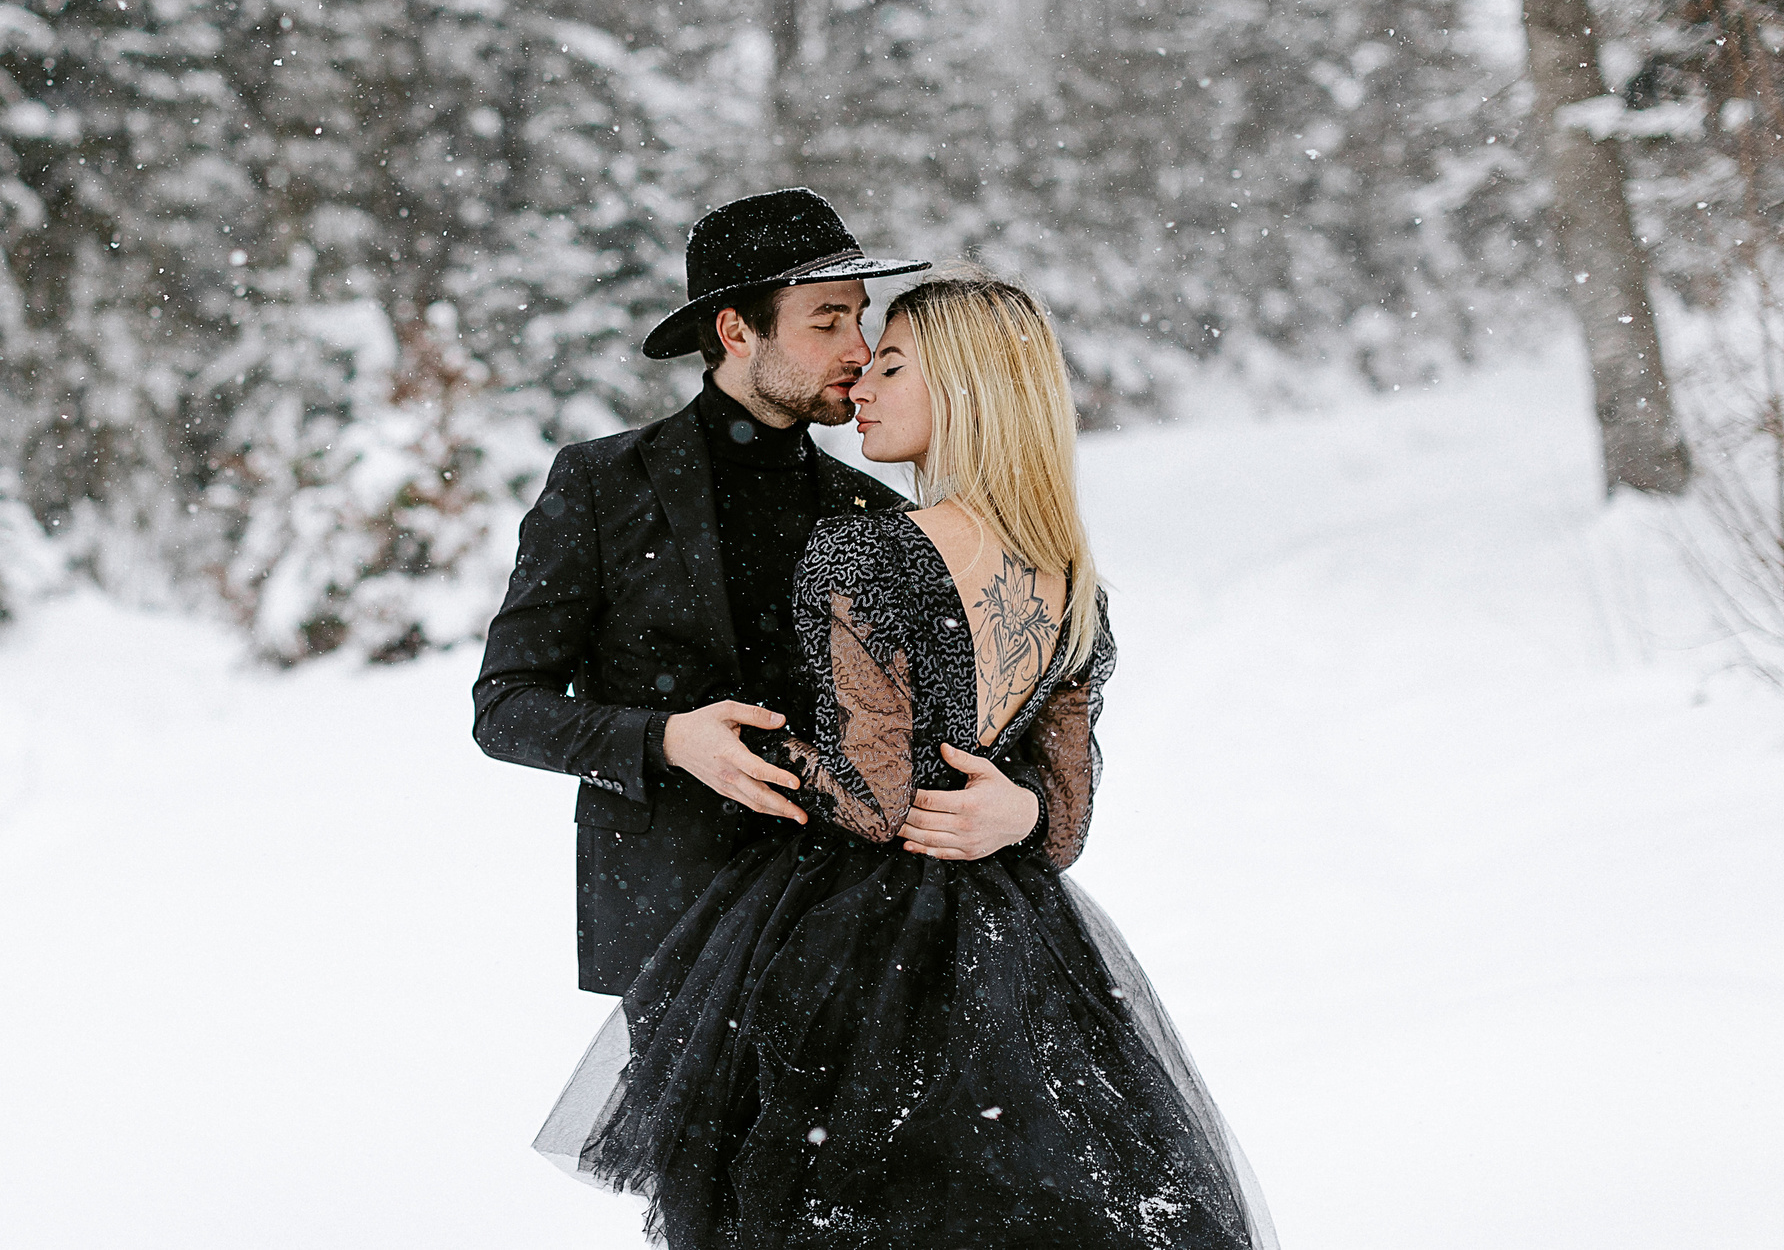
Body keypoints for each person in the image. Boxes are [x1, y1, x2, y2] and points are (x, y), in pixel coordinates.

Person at [533, 264, 1275, 1249]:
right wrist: (1011, 810)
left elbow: (871, 799)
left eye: (890, 366)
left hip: (857, 938)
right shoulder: (1070, 577)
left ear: (964, 390)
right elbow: (1063, 822)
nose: (861, 390)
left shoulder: (867, 551)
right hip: (1014, 941)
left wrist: (723, 738)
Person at [474, 187, 1015, 996]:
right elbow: (505, 707)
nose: (858, 347)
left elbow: (954, 730)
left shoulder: (879, 510)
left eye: (860, 318)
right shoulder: (598, 485)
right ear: (735, 331)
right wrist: (667, 739)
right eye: (826, 319)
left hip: (852, 919)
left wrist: (1023, 808)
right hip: (671, 922)